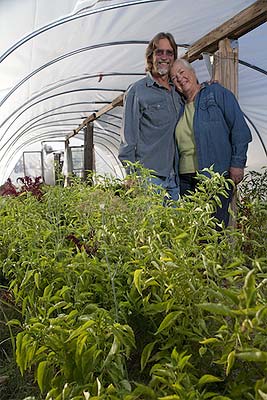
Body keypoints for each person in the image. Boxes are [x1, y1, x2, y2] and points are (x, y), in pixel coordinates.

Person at [170, 58, 252, 226]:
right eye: (174, 77)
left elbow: (239, 129)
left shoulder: (215, 93)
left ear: (193, 72)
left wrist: (237, 163)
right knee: (193, 232)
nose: (179, 78)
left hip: (214, 176)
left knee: (214, 230)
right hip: (185, 180)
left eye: (182, 72)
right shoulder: (178, 106)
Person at [118, 32, 183, 200]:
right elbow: (128, 138)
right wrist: (131, 175)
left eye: (169, 53)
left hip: (173, 177)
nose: (164, 57)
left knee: (176, 226)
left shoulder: (177, 91)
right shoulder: (138, 91)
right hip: (148, 177)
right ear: (150, 56)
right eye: (159, 52)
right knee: (149, 226)